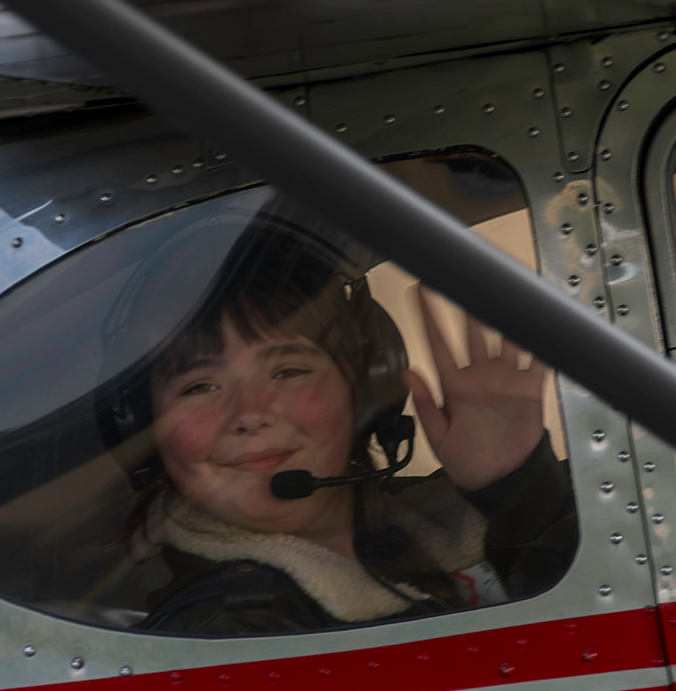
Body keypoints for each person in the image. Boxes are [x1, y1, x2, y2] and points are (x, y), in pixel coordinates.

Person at [119, 215, 574, 635]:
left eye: (288, 371)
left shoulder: (446, 524)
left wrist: (517, 486)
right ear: (145, 425)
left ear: (363, 388)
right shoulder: (220, 635)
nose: (250, 414)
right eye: (199, 386)